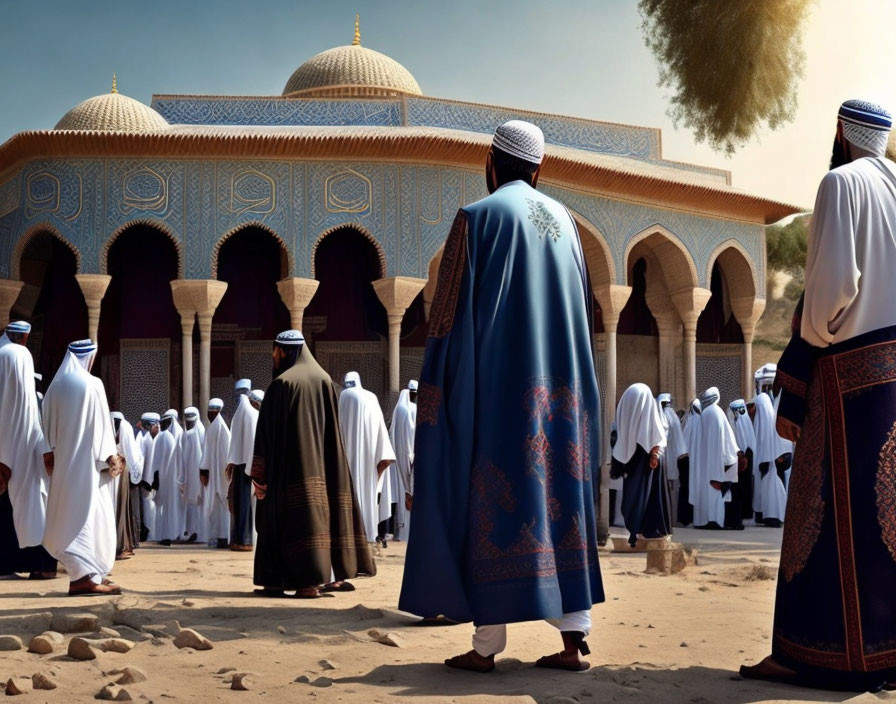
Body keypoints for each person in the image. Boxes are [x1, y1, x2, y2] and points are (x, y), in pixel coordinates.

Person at [399, 120, 604, 673]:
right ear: (539, 170)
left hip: (498, 402)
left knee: (489, 505)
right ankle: (571, 641)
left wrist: (440, 394)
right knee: (563, 504)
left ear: (490, 165)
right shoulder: (568, 224)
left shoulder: (476, 218)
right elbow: (584, 320)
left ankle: (486, 647)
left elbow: (446, 319)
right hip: (562, 404)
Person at [742, 100, 896, 691]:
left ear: (840, 132)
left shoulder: (840, 183)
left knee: (820, 511)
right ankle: (882, 652)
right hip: (890, 375)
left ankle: (810, 653)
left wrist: (807, 349)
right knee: (883, 516)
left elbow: (834, 289)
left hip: (847, 373)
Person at [251, 330, 376, 598]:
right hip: (324, 471)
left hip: (287, 473)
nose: (274, 358)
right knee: (319, 521)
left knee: (284, 521)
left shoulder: (281, 384)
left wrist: (259, 476)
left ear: (285, 351)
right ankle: (316, 580)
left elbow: (265, 436)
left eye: (276, 352)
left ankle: (282, 581)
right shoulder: (325, 381)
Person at [42, 340, 123, 595]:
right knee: (89, 517)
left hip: (64, 468)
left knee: (69, 516)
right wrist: (110, 455)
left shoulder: (55, 387)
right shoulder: (93, 384)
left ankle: (92, 572)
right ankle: (82, 578)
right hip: (89, 467)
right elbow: (102, 425)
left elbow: (46, 432)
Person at [0, 321, 57, 579]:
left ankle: (9, 564)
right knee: (32, 506)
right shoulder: (19, 354)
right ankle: (39, 564)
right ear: (24, 338)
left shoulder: (5, 353)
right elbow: (23, 409)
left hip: (9, 447)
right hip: (24, 446)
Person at [338, 372, 396, 545]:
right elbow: (385, 457)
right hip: (369, 479)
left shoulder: (341, 400)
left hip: (342, 481)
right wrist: (373, 481)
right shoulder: (371, 399)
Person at [611, 384, 669, 547]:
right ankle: (643, 529)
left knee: (632, 496)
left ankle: (633, 528)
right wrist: (654, 455)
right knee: (645, 496)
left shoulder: (622, 439)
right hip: (645, 458)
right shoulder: (649, 416)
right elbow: (657, 436)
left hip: (630, 459)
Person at [691, 388, 740, 530]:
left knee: (707, 490)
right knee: (718, 493)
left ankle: (703, 519)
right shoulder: (718, 413)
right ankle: (716, 519)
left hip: (705, 462)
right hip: (718, 462)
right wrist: (731, 457)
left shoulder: (705, 414)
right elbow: (727, 439)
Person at [227, 381, 258, 552]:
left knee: (242, 506)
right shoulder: (246, 413)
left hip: (244, 466)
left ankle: (243, 540)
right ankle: (241, 540)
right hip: (243, 466)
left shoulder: (244, 413)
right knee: (241, 505)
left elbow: (247, 443)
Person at [751, 393, 787, 527]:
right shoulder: (762, 422)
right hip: (766, 464)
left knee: (772, 489)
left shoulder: (772, 424)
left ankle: (773, 516)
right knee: (764, 489)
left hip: (772, 465)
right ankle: (763, 514)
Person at [389, 380, 417, 542]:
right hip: (409, 459)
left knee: (401, 498)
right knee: (409, 496)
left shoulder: (398, 410)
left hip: (397, 463)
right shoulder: (411, 409)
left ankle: (401, 533)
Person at [200, 398, 230, 549]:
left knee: (222, 506)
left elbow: (226, 456)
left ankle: (223, 537)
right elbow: (207, 453)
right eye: (209, 409)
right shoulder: (213, 427)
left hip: (220, 476)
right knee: (215, 507)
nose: (210, 413)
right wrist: (204, 470)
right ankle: (218, 536)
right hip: (213, 475)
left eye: (213, 410)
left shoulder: (221, 428)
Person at [110, 412, 140, 558]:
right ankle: (120, 546)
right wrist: (136, 473)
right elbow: (131, 452)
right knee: (121, 509)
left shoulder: (106, 424)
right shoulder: (125, 425)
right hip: (121, 470)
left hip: (108, 471)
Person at [151, 410, 182, 546]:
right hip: (165, 478)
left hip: (168, 479)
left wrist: (156, 477)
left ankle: (168, 534)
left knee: (167, 508)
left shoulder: (167, 437)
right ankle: (165, 534)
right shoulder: (165, 436)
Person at [657, 393, 686, 526]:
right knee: (672, 490)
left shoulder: (660, 416)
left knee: (666, 489)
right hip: (671, 459)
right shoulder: (673, 415)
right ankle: (671, 519)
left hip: (663, 458)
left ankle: (666, 519)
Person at [728, 399, 756, 525]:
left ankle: (744, 512)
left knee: (742, 486)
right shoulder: (744, 420)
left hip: (743, 457)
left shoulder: (739, 421)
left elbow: (741, 440)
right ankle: (745, 512)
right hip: (746, 455)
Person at [180, 407, 204, 544]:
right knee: (190, 503)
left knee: (196, 502)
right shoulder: (188, 433)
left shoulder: (199, 430)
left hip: (197, 473)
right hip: (190, 474)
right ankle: (191, 531)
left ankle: (197, 532)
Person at [678, 399, 701, 526]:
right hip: (688, 462)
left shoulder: (688, 422)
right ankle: (686, 517)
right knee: (687, 488)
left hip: (690, 462)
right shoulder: (689, 422)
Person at [137, 412, 160, 542]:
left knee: (150, 508)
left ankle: (153, 534)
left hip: (150, 480)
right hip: (148, 480)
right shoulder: (147, 438)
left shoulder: (148, 438)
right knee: (149, 508)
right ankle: (152, 534)